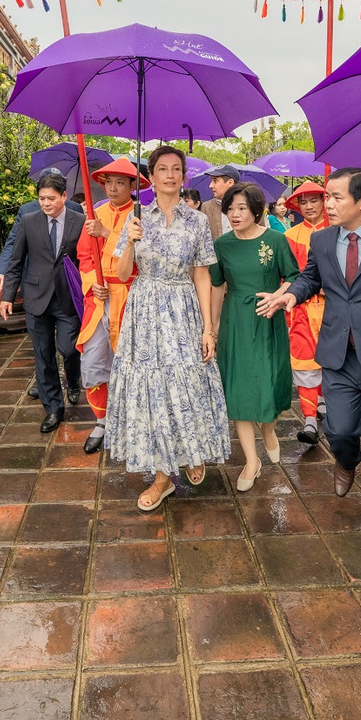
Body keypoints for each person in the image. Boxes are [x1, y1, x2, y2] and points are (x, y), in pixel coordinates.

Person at [257, 168, 361, 556]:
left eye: (336, 197)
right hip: (339, 355)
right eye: (327, 197)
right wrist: (290, 295)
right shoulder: (321, 240)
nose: (328, 204)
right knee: (340, 430)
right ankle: (347, 460)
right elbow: (310, 279)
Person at [105, 145, 229, 511]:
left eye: (176, 169)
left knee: (188, 382)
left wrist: (208, 328)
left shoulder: (197, 221)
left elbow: (202, 275)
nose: (170, 175)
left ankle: (191, 450)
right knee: (152, 390)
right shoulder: (136, 218)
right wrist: (131, 241)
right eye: (163, 169)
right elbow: (122, 274)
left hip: (183, 307)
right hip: (144, 311)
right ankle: (162, 478)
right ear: (151, 176)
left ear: (184, 176)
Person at [210, 183, 300, 491]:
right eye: (230, 209)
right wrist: (213, 326)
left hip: (267, 319)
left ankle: (269, 429)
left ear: (257, 210)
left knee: (270, 384)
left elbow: (294, 277)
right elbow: (217, 285)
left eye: (241, 208)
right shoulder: (222, 245)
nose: (234, 214)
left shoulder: (275, 240)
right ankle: (252, 461)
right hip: (235, 321)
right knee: (239, 390)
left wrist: (277, 295)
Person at [0, 173, 84, 434]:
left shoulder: (80, 221)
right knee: (43, 355)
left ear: (64, 196)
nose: (46, 203)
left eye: (51, 198)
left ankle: (73, 379)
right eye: (41, 198)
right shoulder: (28, 221)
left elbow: (86, 259)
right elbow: (15, 261)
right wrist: (7, 296)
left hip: (68, 298)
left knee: (69, 348)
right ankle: (53, 409)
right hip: (37, 298)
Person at [75, 157, 149, 454]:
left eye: (120, 182)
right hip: (99, 298)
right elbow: (84, 256)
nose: (113, 188)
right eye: (109, 182)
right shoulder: (96, 215)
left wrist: (106, 234)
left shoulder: (141, 216)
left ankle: (133, 422)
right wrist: (91, 283)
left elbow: (142, 256)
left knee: (131, 363)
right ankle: (102, 421)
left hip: (130, 297)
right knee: (93, 361)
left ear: (133, 186)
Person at [282, 181, 330, 444]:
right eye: (303, 202)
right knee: (304, 363)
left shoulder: (337, 231)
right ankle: (310, 420)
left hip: (333, 309)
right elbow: (287, 276)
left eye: (314, 200)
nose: (309, 206)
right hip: (301, 310)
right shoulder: (289, 237)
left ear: (324, 201)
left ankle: (324, 402)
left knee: (329, 361)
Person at [200, 163, 240, 239]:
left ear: (230, 182)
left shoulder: (249, 204)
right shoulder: (207, 207)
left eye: (215, 181)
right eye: (211, 181)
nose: (211, 185)